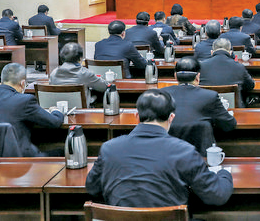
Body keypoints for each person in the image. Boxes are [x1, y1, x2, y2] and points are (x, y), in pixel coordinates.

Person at [85, 89, 233, 207]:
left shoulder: (109, 148)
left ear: (137, 116)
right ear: (171, 118)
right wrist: (224, 174)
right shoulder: (184, 151)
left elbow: (92, 188)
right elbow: (217, 196)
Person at [0, 63, 64, 157]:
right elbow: (55, 122)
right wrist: (56, 111)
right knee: (61, 151)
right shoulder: (25, 101)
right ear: (23, 83)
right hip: (18, 158)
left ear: (2, 80)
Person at [162, 57, 237, 132]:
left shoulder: (162, 94)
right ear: (197, 76)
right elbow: (229, 124)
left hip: (167, 139)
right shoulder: (210, 96)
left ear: (175, 76)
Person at [199, 38, 255, 106]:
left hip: (206, 109)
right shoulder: (239, 67)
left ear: (211, 52)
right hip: (234, 110)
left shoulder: (201, 66)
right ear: (230, 53)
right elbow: (250, 86)